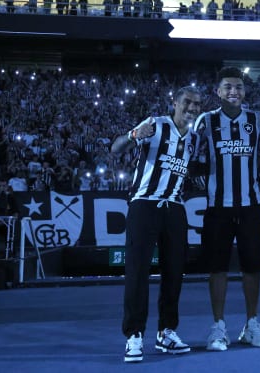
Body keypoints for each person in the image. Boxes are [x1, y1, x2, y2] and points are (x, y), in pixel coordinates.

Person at [112, 86, 202, 363]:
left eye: (197, 104)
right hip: (144, 204)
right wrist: (133, 135)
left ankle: (166, 332)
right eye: (187, 102)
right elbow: (116, 149)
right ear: (174, 102)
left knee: (174, 272)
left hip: (175, 208)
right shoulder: (155, 124)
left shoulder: (195, 139)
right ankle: (134, 334)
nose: (192, 108)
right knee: (137, 271)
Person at [193, 67, 260, 351]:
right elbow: (189, 154)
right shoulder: (206, 121)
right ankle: (218, 326)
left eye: (238, 87)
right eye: (228, 87)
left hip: (251, 206)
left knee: (253, 268)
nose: (234, 92)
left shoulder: (257, 119)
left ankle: (252, 324)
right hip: (218, 207)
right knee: (218, 269)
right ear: (218, 91)